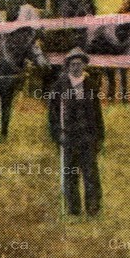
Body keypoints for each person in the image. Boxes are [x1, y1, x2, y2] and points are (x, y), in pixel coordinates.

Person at [47, 48, 103, 217]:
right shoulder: (59, 86)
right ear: (67, 66)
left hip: (87, 137)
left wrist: (99, 137)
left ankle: (93, 208)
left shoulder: (90, 85)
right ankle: (73, 210)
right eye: (73, 64)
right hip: (68, 137)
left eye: (80, 64)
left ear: (84, 65)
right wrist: (58, 135)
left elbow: (97, 113)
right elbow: (53, 115)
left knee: (90, 173)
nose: (76, 68)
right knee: (70, 174)